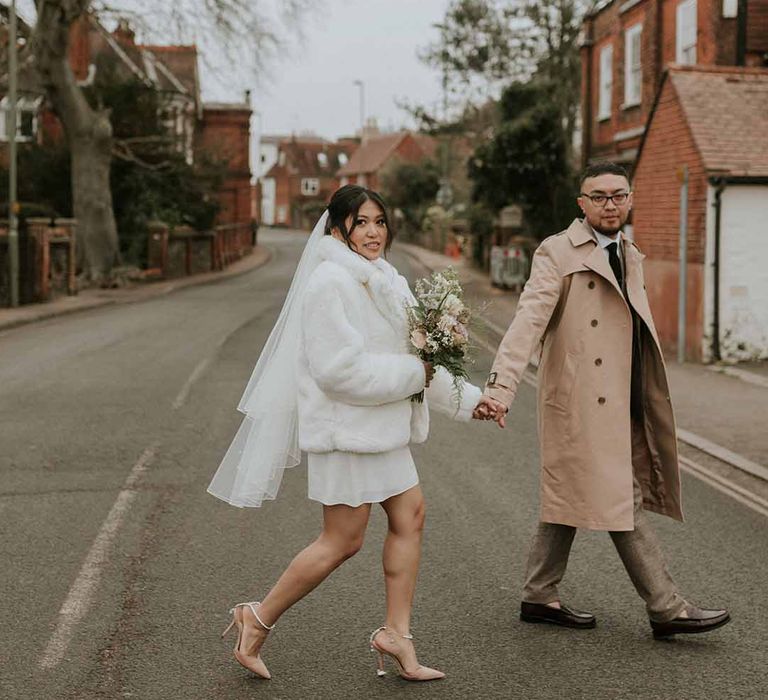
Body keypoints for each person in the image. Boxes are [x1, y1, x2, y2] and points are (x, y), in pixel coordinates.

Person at [208, 185, 483, 681]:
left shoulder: (389, 279)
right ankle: (256, 617)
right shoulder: (329, 283)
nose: (373, 232)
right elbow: (340, 371)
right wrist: (414, 375)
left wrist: (473, 402)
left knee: (410, 515)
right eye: (361, 223)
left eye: (379, 221)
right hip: (347, 431)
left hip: (382, 429)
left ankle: (397, 634)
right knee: (341, 541)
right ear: (338, 228)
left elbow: (421, 358)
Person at [474, 162, 730, 639]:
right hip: (580, 403)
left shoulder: (630, 252)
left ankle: (538, 595)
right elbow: (527, 321)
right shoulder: (556, 252)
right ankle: (666, 607)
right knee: (620, 498)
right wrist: (501, 388)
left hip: (625, 397)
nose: (609, 204)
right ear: (582, 204)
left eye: (617, 195)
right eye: (599, 196)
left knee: (566, 500)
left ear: (629, 199)